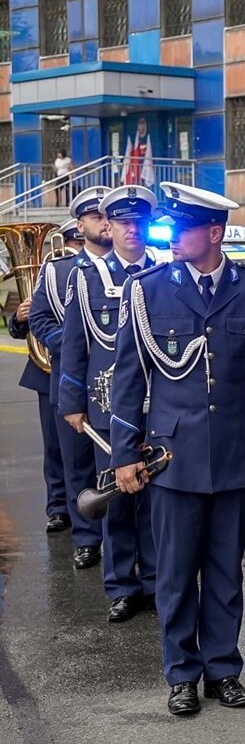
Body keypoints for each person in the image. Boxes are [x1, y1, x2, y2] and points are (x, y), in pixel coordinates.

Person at [108, 181, 245, 716]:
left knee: (226, 570)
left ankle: (223, 669)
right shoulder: (149, 289)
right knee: (175, 571)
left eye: (181, 228)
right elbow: (128, 379)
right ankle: (181, 673)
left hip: (234, 451)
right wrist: (123, 455)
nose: (170, 236)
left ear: (214, 233)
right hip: (172, 455)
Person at [59, 185, 160, 623]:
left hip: (159, 403)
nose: (131, 229)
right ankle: (122, 585)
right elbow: (74, 346)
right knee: (116, 494)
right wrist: (72, 400)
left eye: (139, 222)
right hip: (107, 405)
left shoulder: (164, 269)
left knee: (157, 497)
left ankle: (157, 581)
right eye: (122, 222)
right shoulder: (85, 278)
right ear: (109, 226)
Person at [29, 194, 112, 569]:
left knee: (120, 464)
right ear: (80, 226)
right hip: (74, 381)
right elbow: (41, 320)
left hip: (120, 386)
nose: (104, 222)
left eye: (108, 215)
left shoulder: (133, 266)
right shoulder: (59, 272)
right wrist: (79, 342)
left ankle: (121, 538)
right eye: (95, 217)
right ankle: (86, 538)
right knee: (77, 464)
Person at [8, 293, 69, 535]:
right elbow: (21, 330)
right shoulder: (48, 270)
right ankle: (58, 507)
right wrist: (19, 318)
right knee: (54, 444)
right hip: (49, 369)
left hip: (90, 364)